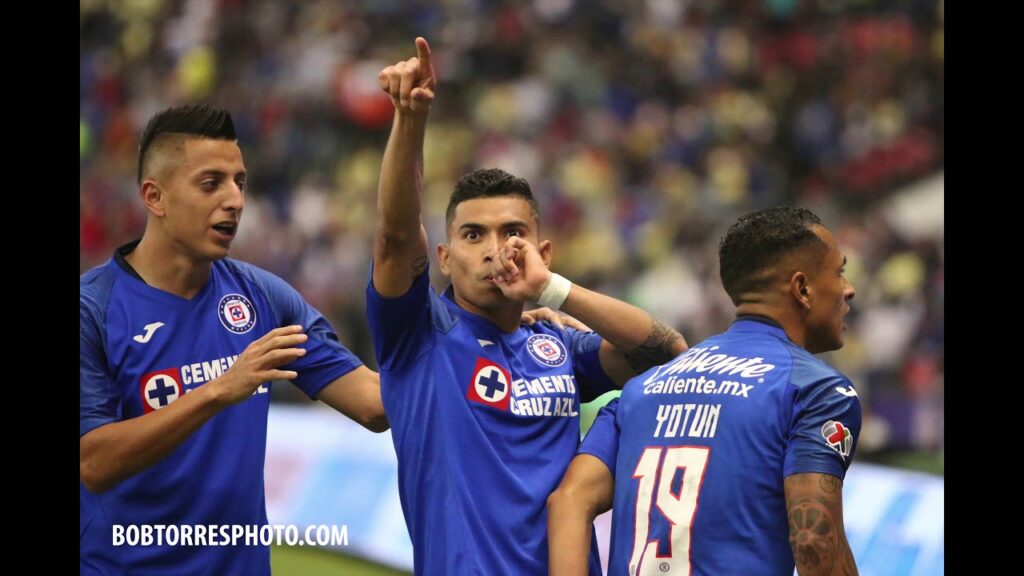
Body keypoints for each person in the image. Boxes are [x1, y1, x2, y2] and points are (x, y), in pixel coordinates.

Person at [367, 37, 687, 575]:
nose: (495, 249)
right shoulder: (419, 335)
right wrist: (410, 119)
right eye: (473, 235)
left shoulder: (556, 342)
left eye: (512, 232)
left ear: (543, 253)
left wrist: (555, 293)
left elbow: (665, 352)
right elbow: (396, 237)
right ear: (444, 258)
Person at [79, 104, 389, 575]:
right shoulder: (93, 310)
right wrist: (220, 389)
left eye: (239, 182)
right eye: (211, 184)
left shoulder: (262, 297)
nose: (235, 200)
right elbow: (95, 462)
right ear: (154, 197)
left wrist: (479, 338)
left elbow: (374, 404)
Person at [548, 206, 862, 576]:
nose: (848, 289)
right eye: (839, 272)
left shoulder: (643, 387)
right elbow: (814, 541)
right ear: (802, 288)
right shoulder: (818, 390)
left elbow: (568, 501)